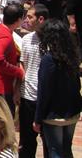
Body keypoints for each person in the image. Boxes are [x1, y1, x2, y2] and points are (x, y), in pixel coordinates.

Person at [34, 20, 82, 158]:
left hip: (54, 115)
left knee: (55, 151)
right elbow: (76, 85)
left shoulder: (48, 60)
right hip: (72, 112)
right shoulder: (72, 56)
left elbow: (44, 91)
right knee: (67, 150)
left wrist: (37, 119)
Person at [19, 4, 49, 158]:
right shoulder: (26, 39)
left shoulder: (52, 41)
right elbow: (22, 64)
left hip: (46, 99)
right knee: (26, 143)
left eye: (30, 17)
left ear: (41, 19)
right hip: (27, 98)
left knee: (49, 144)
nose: (26, 20)